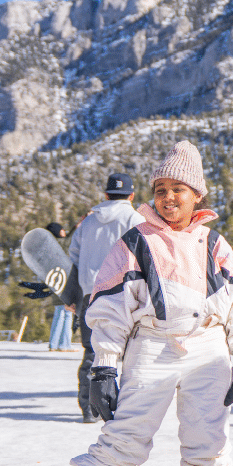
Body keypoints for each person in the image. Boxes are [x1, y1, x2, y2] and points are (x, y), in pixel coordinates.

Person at [50, 141, 233, 466]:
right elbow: (110, 308)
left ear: (197, 195)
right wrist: (104, 366)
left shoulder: (214, 243)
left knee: (209, 437)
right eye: (161, 188)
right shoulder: (135, 242)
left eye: (179, 189)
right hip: (152, 344)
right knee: (125, 437)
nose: (169, 197)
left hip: (208, 348)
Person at [67, 173, 144, 422]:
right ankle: (128, 407)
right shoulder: (134, 218)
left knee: (93, 351)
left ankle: (89, 409)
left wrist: (73, 295)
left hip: (91, 294)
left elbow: (73, 259)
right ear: (131, 196)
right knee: (133, 352)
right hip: (124, 293)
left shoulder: (88, 222)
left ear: (105, 194)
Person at [45, 222, 76, 352]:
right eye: (62, 229)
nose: (64, 231)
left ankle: (54, 343)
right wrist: (82, 221)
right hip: (64, 281)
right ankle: (64, 344)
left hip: (54, 281)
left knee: (60, 312)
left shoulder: (49, 245)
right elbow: (71, 236)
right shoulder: (61, 244)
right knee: (67, 313)